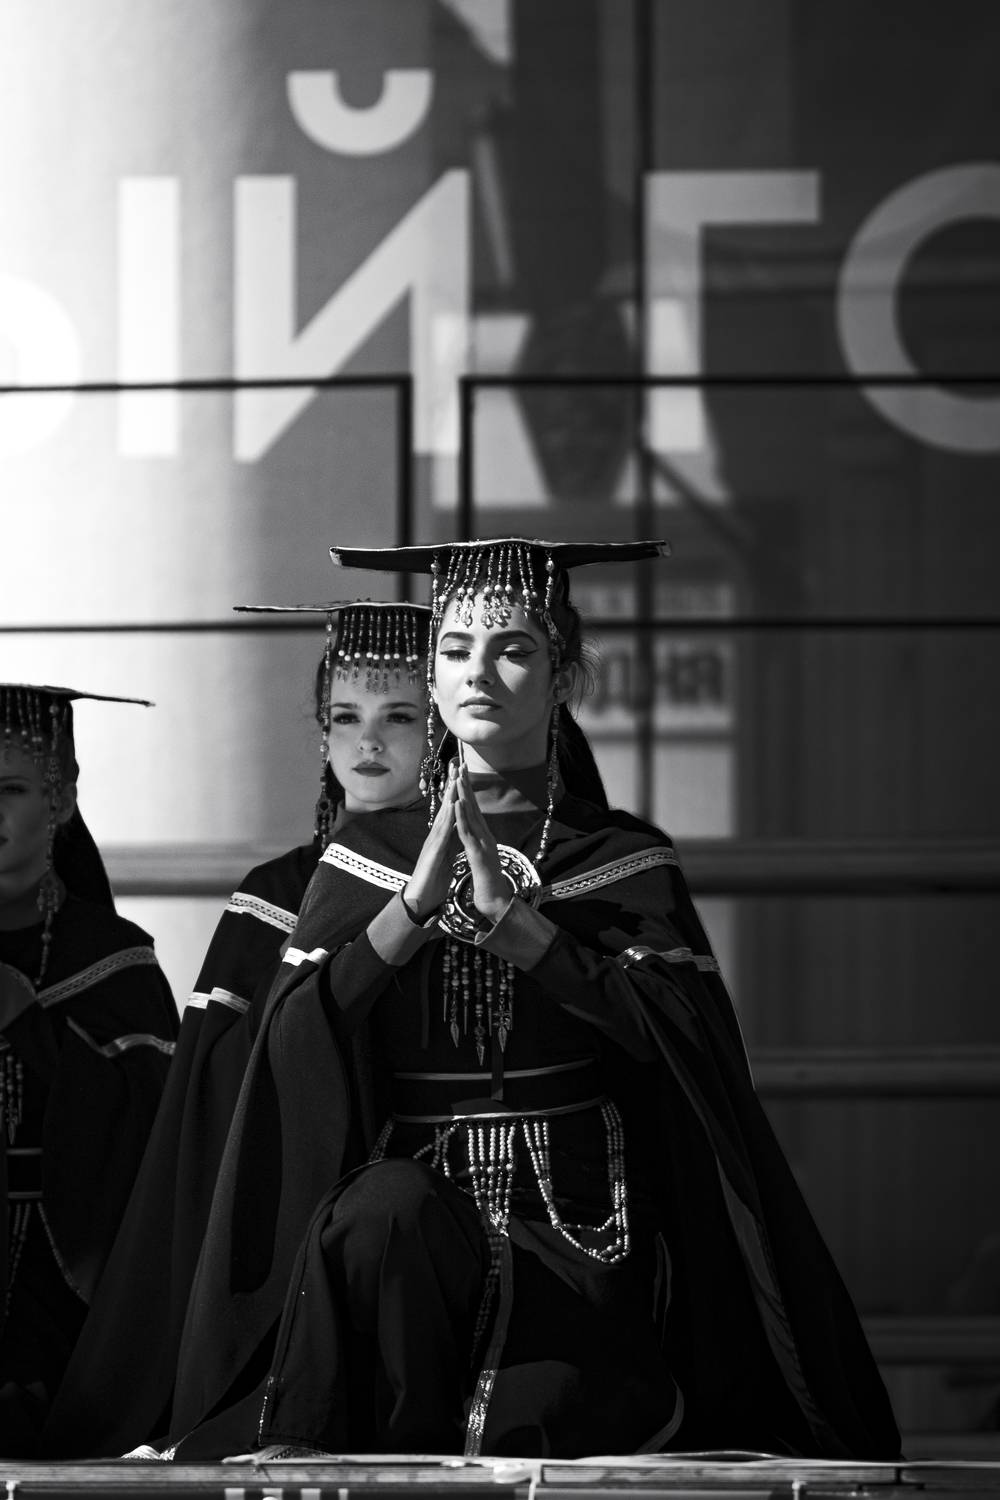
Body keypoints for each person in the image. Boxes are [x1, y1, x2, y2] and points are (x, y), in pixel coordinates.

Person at [78, 540, 900, 1462]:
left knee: (539, 1419)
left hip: (581, 1216)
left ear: (563, 677)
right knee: (381, 1217)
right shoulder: (365, 857)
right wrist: (407, 915)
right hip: (417, 1211)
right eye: (456, 650)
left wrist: (530, 938)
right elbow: (294, 1043)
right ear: (433, 679)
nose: (480, 673)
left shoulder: (620, 857)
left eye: (513, 650)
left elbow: (679, 1044)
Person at [42, 601, 437, 1459]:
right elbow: (214, 1097)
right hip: (294, 1214)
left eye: (401, 717)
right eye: (345, 717)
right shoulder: (275, 892)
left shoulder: (487, 884)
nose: (368, 741)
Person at [0, 684, 178, 1455]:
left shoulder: (114, 958)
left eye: (10, 790)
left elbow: (149, 1143)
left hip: (63, 1298)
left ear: (61, 800)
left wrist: (29, 1028)